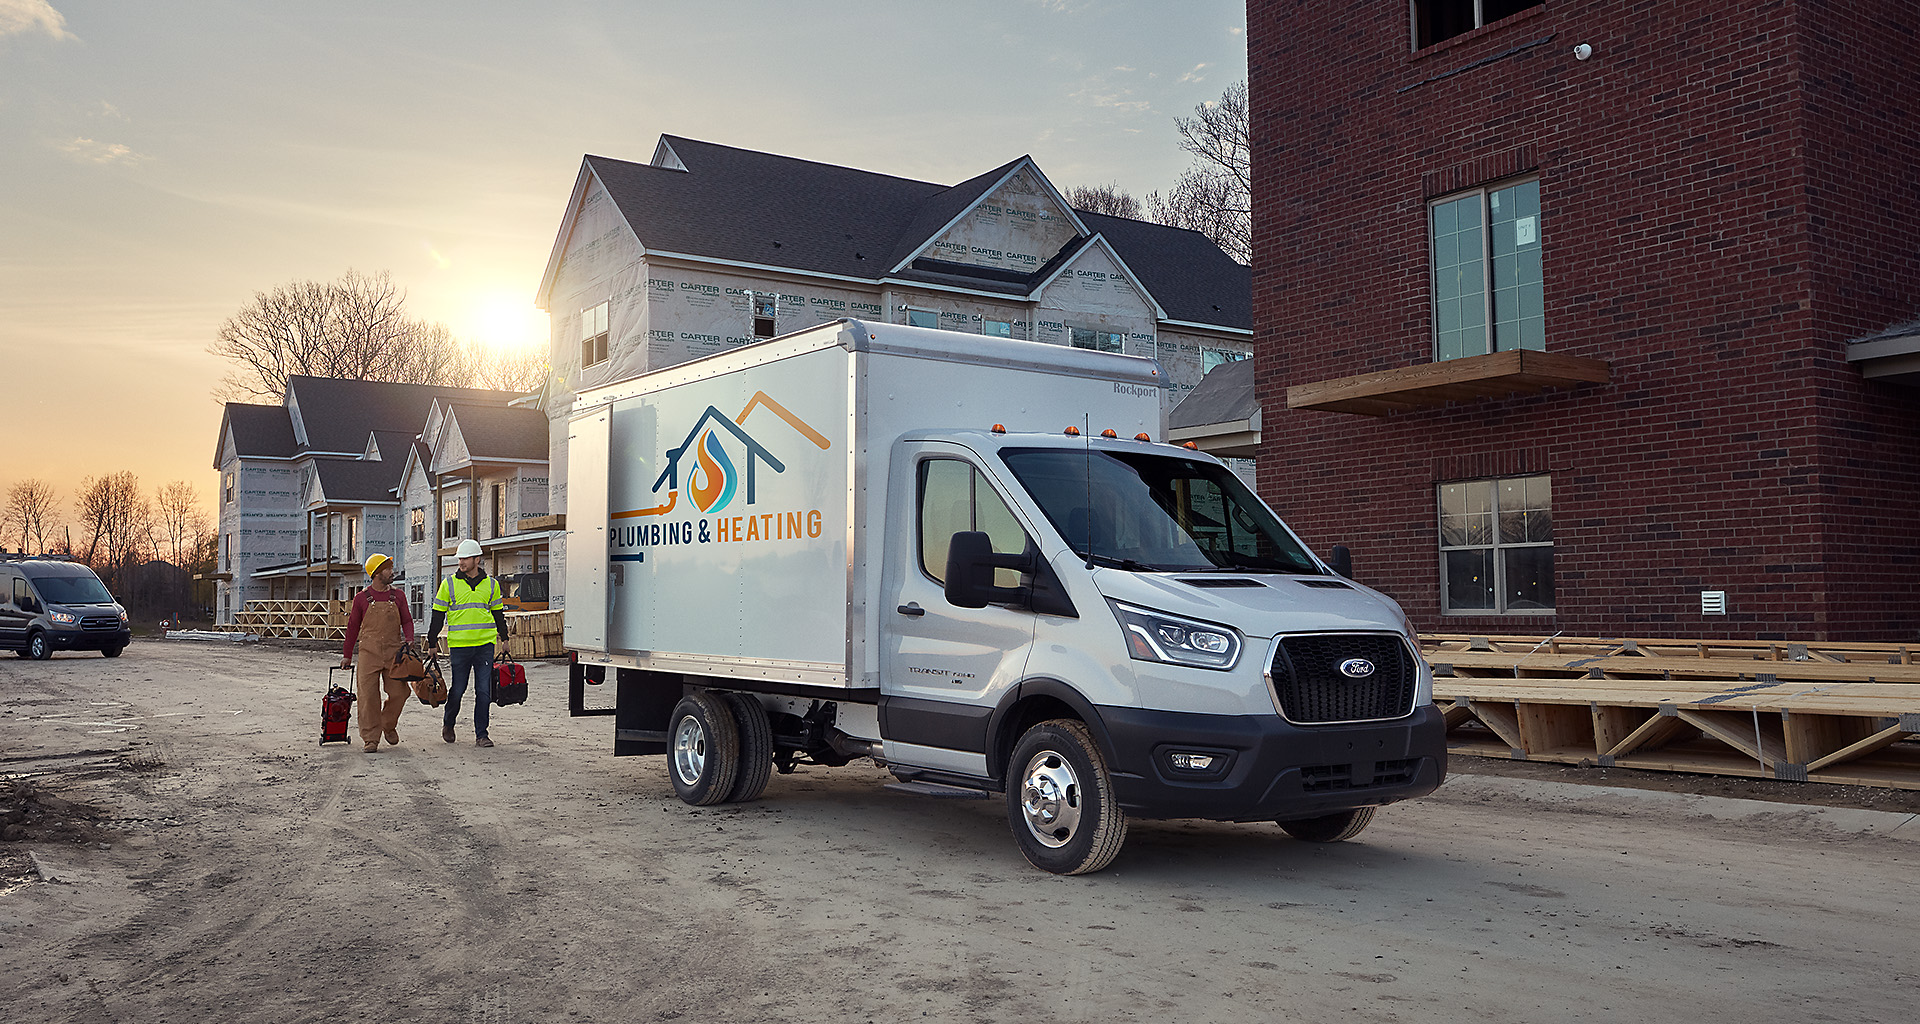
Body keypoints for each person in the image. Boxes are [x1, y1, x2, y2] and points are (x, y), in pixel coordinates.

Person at [428, 538, 507, 748]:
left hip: (485, 646)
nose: (461, 562)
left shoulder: (492, 585)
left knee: (483, 691)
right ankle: (448, 723)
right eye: (460, 559)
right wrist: (432, 642)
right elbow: (437, 615)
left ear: (477, 559)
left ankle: (482, 735)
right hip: (460, 647)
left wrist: (505, 638)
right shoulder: (449, 584)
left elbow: (498, 614)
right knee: (458, 689)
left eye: (465, 558)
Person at [340, 552, 416, 753]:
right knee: (367, 697)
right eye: (388, 569)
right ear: (376, 573)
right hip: (368, 653)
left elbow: (407, 620)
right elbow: (353, 628)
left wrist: (409, 639)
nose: (392, 572)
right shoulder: (361, 599)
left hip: (394, 653)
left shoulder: (398, 596)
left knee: (401, 692)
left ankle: (388, 724)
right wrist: (347, 655)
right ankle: (371, 739)